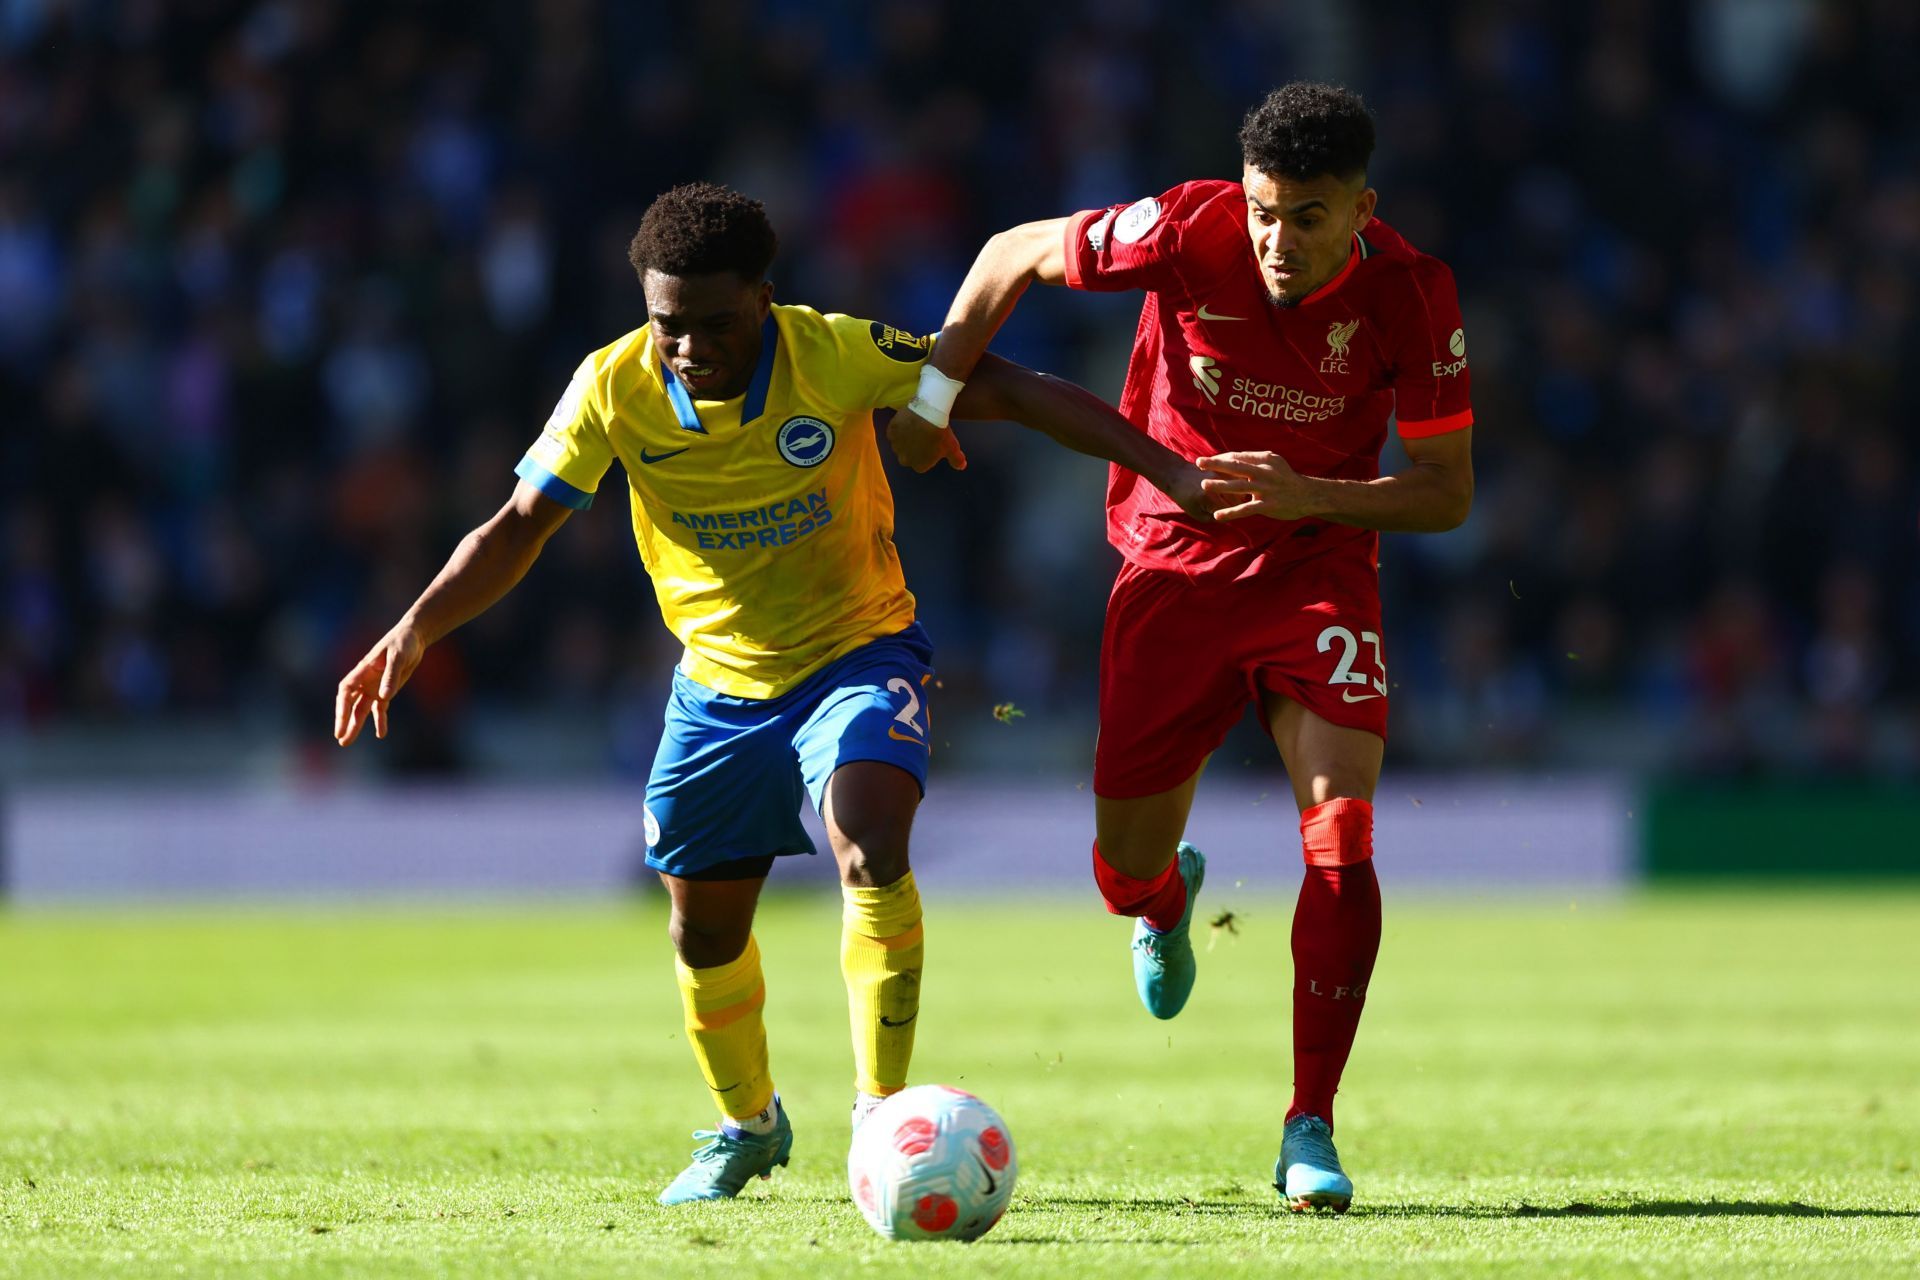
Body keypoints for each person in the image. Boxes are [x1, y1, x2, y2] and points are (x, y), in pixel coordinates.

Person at [332, 182, 1207, 1205]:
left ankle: (881, 1113)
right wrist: (416, 626)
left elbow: (1001, 386)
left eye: (713, 322)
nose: (690, 345)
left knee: (869, 838)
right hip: (718, 684)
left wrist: (1168, 471)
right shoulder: (612, 386)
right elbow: (520, 524)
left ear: (764, 298)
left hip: (859, 649)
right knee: (703, 929)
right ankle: (747, 1122)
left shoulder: (830, 351)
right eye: (670, 325)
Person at [886, 83, 1474, 1213]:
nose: (1276, 238)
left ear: (1363, 209)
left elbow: (1447, 495)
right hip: (1173, 565)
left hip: (1318, 567)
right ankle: (1163, 905)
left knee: (1342, 831)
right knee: (1122, 867)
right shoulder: (1186, 227)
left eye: (1308, 216)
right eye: (1265, 209)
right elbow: (1012, 251)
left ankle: (1310, 1122)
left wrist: (1316, 491)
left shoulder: (1414, 292)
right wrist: (934, 388)